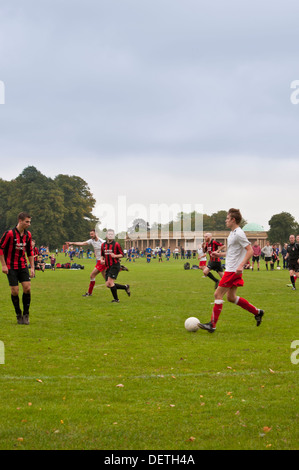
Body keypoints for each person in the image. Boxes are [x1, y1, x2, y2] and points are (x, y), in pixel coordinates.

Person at [199, 208, 264, 333]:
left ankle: (212, 325)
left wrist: (241, 265)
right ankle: (258, 312)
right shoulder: (232, 233)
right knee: (231, 297)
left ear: (233, 220)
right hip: (232, 268)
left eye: (227, 218)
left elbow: (250, 250)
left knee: (217, 294)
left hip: (233, 270)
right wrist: (220, 255)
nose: (226, 221)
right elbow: (233, 253)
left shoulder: (239, 233)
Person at [0, 212, 35, 325]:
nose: (29, 224)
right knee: (15, 291)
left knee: (27, 288)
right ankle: (18, 314)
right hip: (11, 266)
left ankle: (26, 314)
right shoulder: (9, 234)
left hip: (23, 265)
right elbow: (0, 248)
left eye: (29, 222)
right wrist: (4, 265)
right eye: (27, 222)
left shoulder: (28, 235)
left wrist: (32, 268)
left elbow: (30, 251)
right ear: (20, 221)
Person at [66, 229, 106, 297]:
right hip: (99, 261)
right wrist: (72, 243)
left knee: (92, 276)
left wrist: (104, 260)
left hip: (102, 262)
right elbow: (82, 243)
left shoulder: (102, 242)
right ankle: (124, 287)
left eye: (92, 234)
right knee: (107, 281)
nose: (91, 235)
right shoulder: (91, 241)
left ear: (96, 234)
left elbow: (108, 251)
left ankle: (89, 293)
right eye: (90, 234)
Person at [100, 229, 130, 302]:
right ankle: (125, 287)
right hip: (108, 266)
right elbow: (102, 255)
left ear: (113, 236)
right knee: (108, 284)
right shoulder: (103, 245)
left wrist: (115, 256)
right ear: (106, 235)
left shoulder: (116, 244)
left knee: (110, 282)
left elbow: (122, 255)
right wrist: (102, 260)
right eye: (109, 234)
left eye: (112, 234)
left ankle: (116, 299)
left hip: (115, 265)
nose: (110, 235)